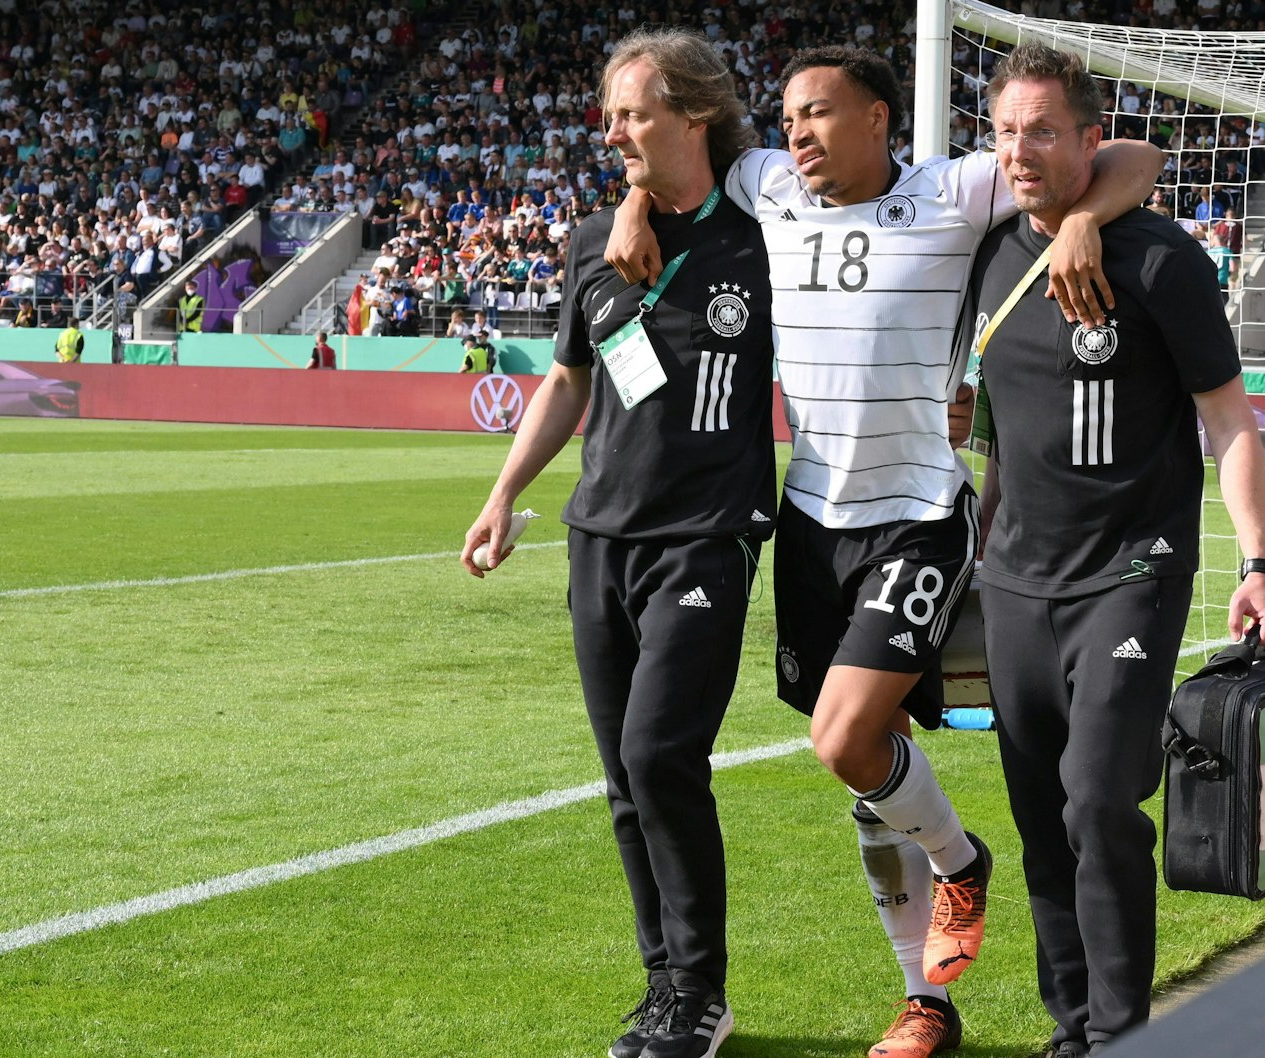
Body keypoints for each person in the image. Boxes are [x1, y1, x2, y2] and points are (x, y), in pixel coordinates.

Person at [608, 43, 1161, 1058]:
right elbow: (673, 163)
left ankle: (958, 856)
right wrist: (632, 204)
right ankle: (926, 1002)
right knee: (864, 765)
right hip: (809, 521)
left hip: (913, 513)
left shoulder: (952, 192)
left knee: (843, 736)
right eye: (787, 117)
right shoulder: (763, 183)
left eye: (819, 113)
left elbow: (1131, 156)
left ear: (877, 120)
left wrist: (1081, 218)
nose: (798, 135)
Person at [958, 44, 1265, 1056]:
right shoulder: (985, 253)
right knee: (1039, 822)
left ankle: (1117, 1030)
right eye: (1006, 130)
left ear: (1089, 139)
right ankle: (1071, 1027)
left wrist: (1258, 564)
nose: (1020, 150)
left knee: (1100, 800)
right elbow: (988, 440)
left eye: (1044, 130)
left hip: (1131, 574)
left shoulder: (1156, 259)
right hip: (1013, 579)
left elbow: (1229, 420)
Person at [461, 29, 775, 1058]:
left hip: (707, 535)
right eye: (610, 114)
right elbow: (570, 378)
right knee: (622, 778)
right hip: (600, 535)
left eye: (633, 112)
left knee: (658, 752)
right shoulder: (596, 233)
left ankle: (702, 989)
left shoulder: (769, 230)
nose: (614, 131)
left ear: (694, 114)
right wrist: (505, 493)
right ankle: (662, 992)